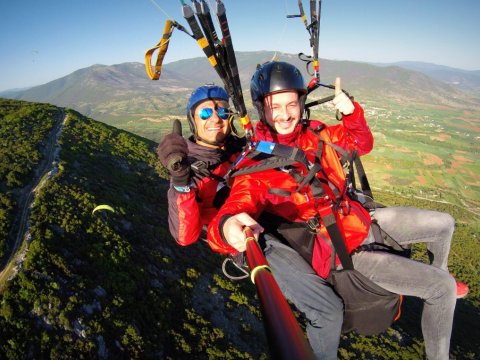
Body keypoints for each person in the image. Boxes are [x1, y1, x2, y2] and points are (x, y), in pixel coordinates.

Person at [207, 61, 464, 360]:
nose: (285, 114)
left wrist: (352, 114)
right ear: (261, 109)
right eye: (275, 106)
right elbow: (234, 209)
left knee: (445, 223)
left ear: (302, 103)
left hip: (360, 219)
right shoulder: (258, 166)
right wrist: (226, 227)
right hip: (345, 252)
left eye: (292, 104)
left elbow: (361, 144)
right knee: (441, 289)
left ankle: (440, 270)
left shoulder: (317, 134)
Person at [157, 84, 245, 245]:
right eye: (205, 113)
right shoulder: (189, 169)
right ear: (193, 121)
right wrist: (181, 181)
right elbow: (185, 237)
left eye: (222, 112)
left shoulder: (240, 146)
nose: (216, 119)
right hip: (240, 240)